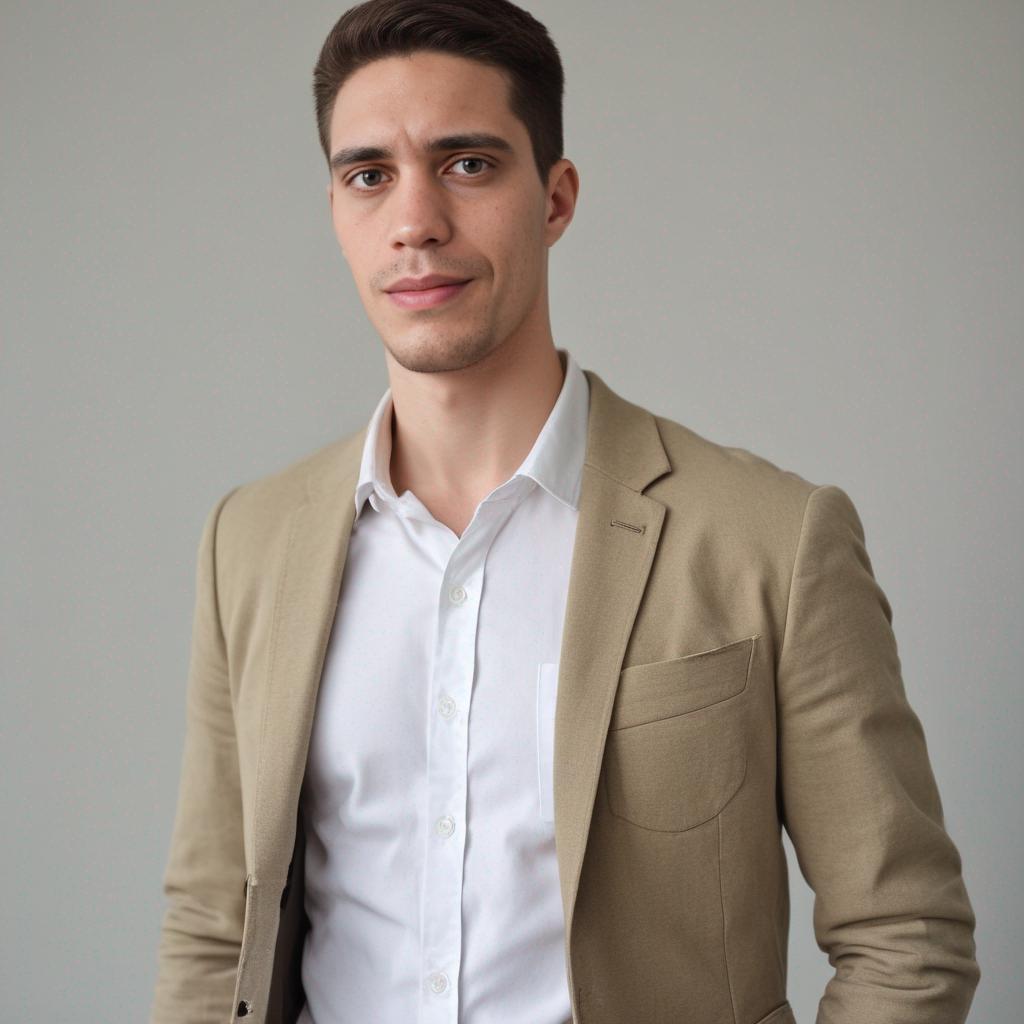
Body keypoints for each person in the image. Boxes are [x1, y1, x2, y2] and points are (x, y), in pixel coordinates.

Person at [149, 2, 980, 1022]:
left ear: (555, 197)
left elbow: (904, 934)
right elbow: (212, 930)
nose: (414, 220)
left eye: (467, 164)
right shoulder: (252, 542)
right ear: (335, 207)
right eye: (370, 175)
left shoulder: (771, 539)